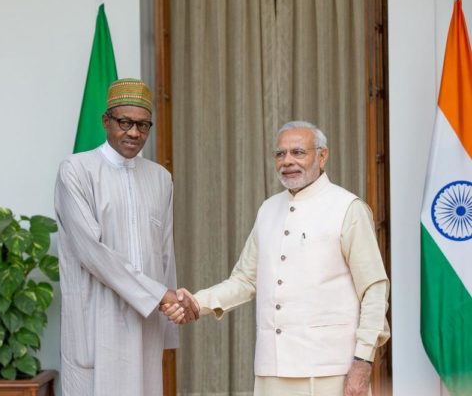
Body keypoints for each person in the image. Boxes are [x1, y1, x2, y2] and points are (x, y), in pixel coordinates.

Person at [164, 121, 390, 396]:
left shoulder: (347, 208)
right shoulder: (268, 209)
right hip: (271, 368)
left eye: (298, 152)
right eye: (280, 154)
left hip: (329, 369)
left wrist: (363, 360)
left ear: (322, 156)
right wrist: (199, 303)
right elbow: (245, 280)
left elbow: (374, 289)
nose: (288, 161)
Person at [55, 78, 198, 396]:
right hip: (97, 318)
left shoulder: (160, 177)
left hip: (146, 320)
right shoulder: (76, 171)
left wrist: (168, 313)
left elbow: (164, 254)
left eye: (143, 125)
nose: (134, 133)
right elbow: (92, 252)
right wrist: (162, 296)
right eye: (125, 122)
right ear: (106, 121)